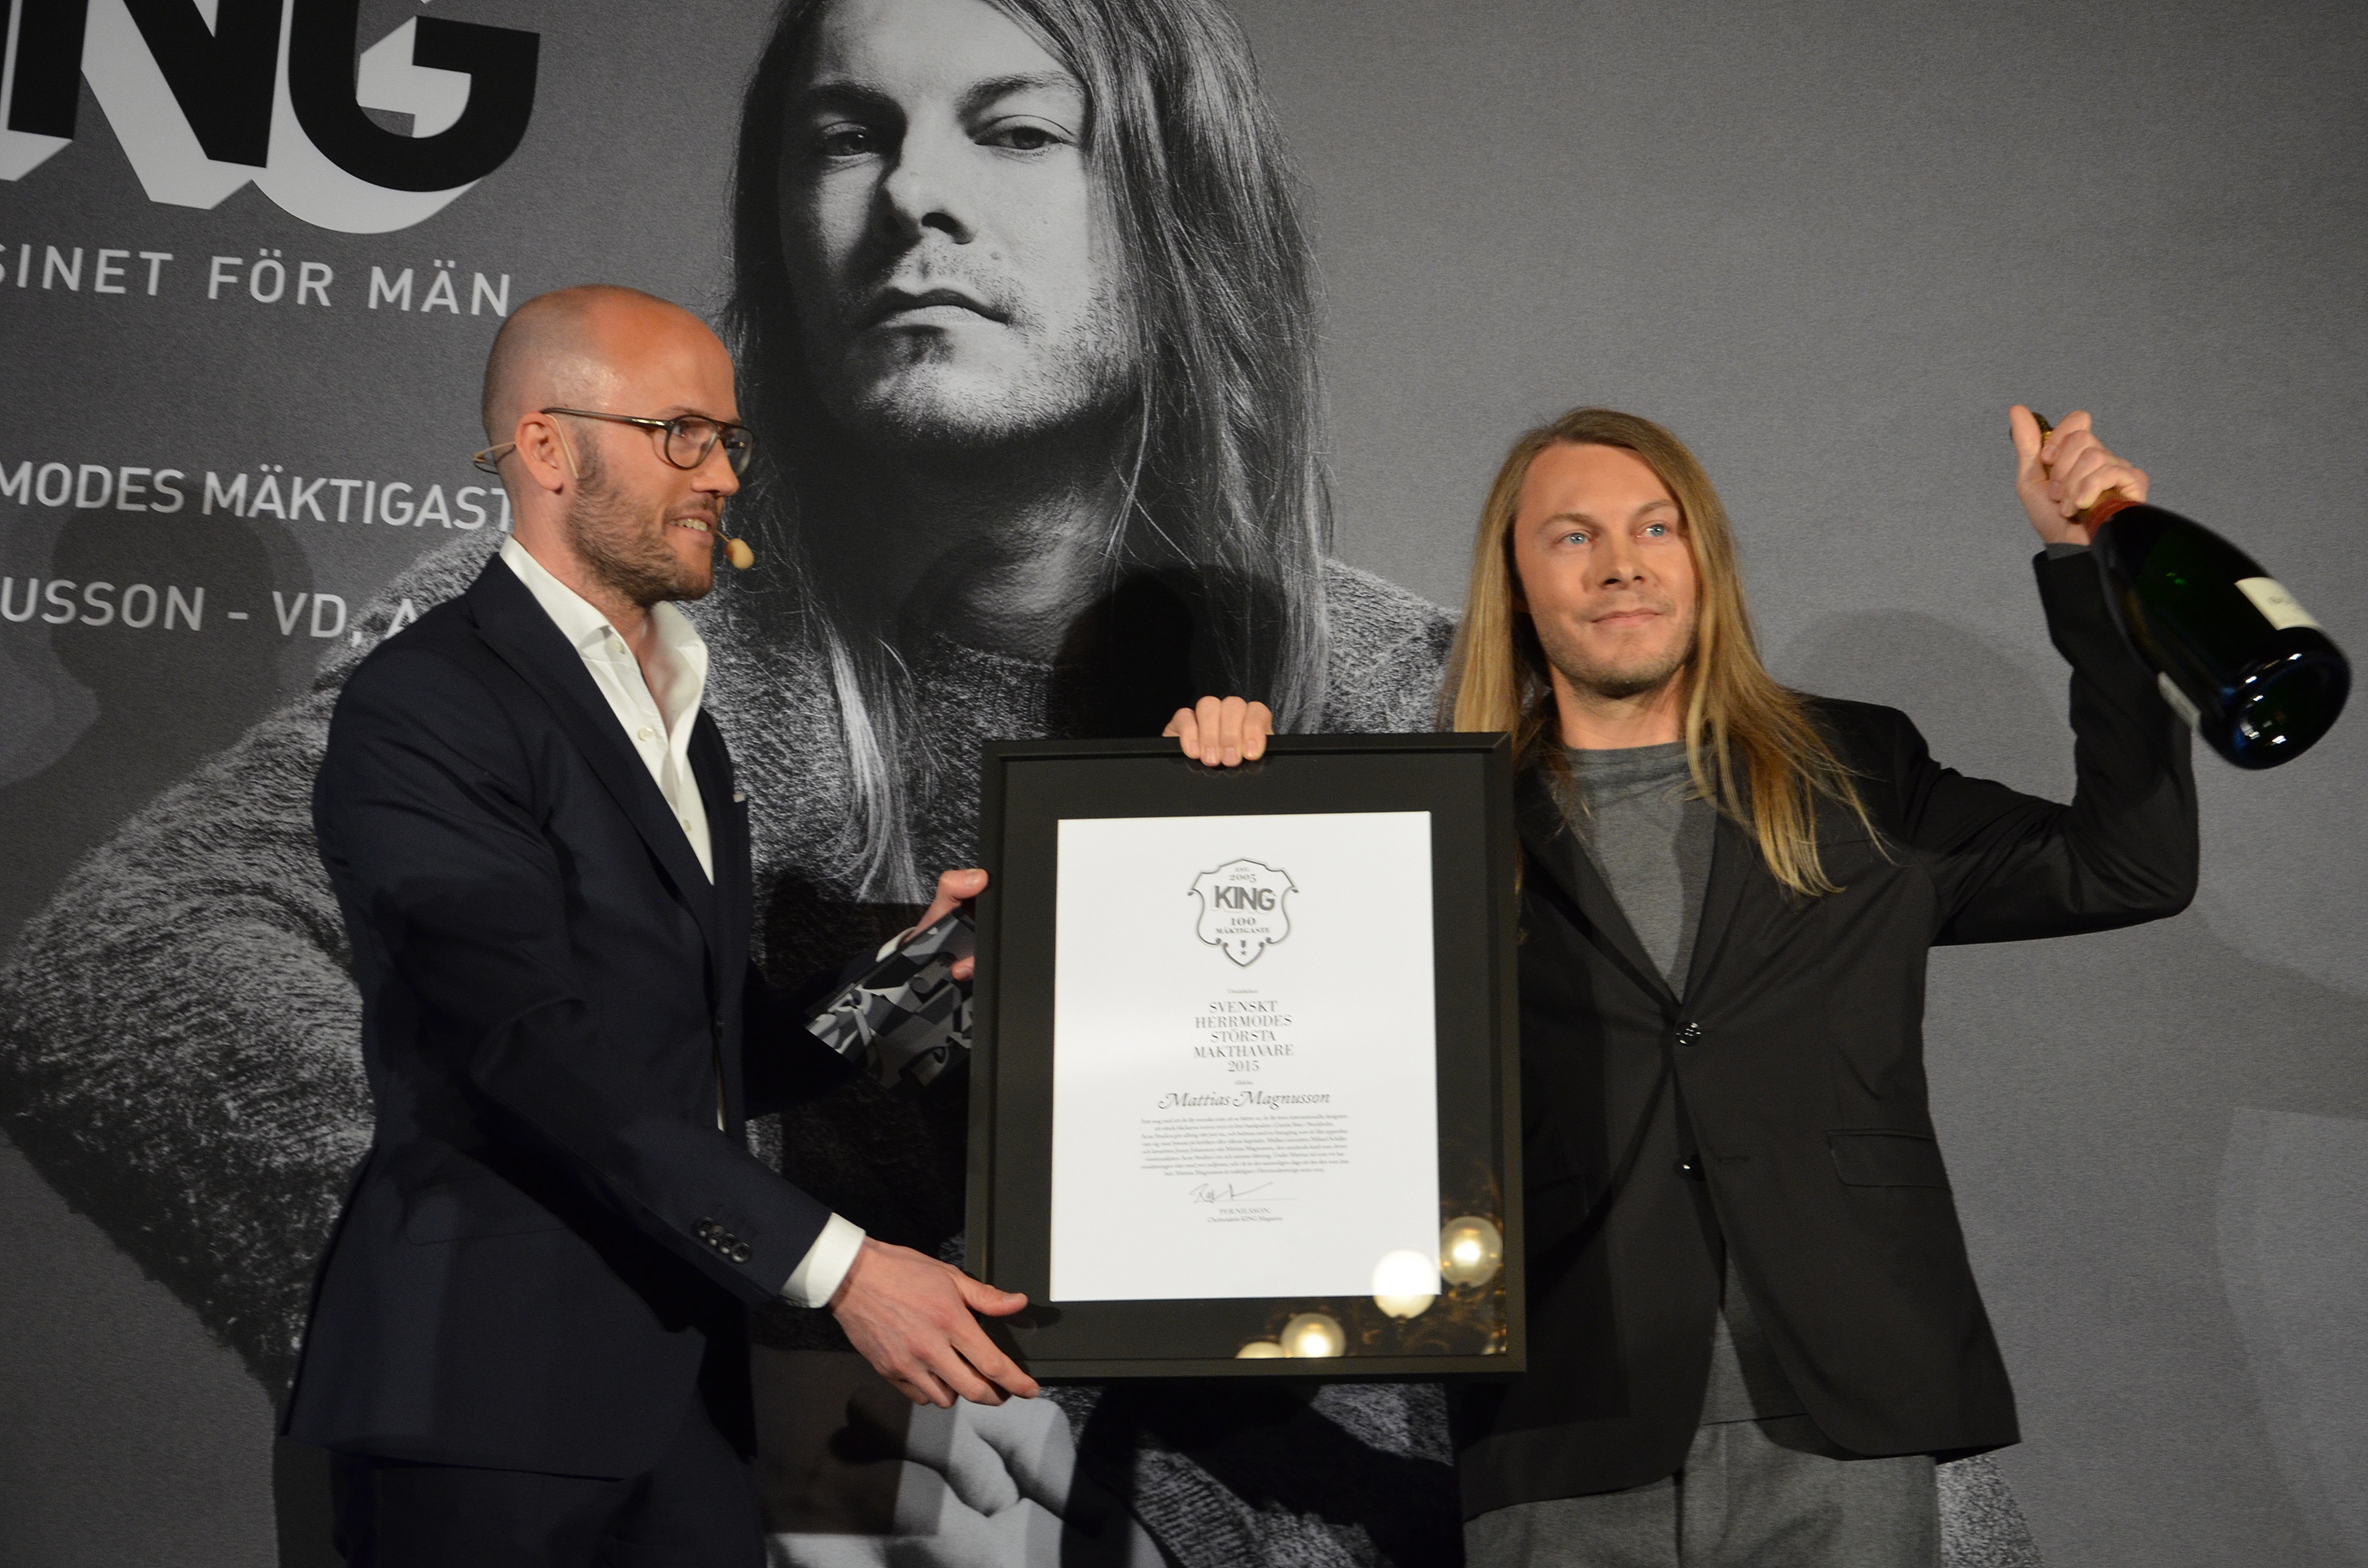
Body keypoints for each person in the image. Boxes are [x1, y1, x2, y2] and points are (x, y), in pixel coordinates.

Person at [0, 0, 1467, 1561]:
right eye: (847, 136)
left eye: (1016, 129)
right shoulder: (574, 634)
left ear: (1183, 205)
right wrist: (719, 1377)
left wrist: (1129, 1520)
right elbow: (133, 964)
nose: (914, 195)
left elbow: (1457, 1315)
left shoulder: (1397, 697)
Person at [286, 283, 1047, 1565]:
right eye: (680, 435)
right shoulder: (429, 703)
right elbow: (528, 1048)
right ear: (546, 448)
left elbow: (712, 1047)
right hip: (480, 1411)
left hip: (684, 1402)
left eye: (729, 441)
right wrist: (844, 1269)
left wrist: (914, 970)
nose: (724, 476)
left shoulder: (682, 718)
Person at [1440, 405, 2198, 1566]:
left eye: (1656, 526)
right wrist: (1209, 793)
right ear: (1514, 580)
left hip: (1843, 1419)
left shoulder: (1854, 770)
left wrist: (2095, 573)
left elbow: (2129, 867)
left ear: (1705, 559)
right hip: (1560, 1425)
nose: (1621, 564)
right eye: (1572, 536)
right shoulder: (1439, 825)